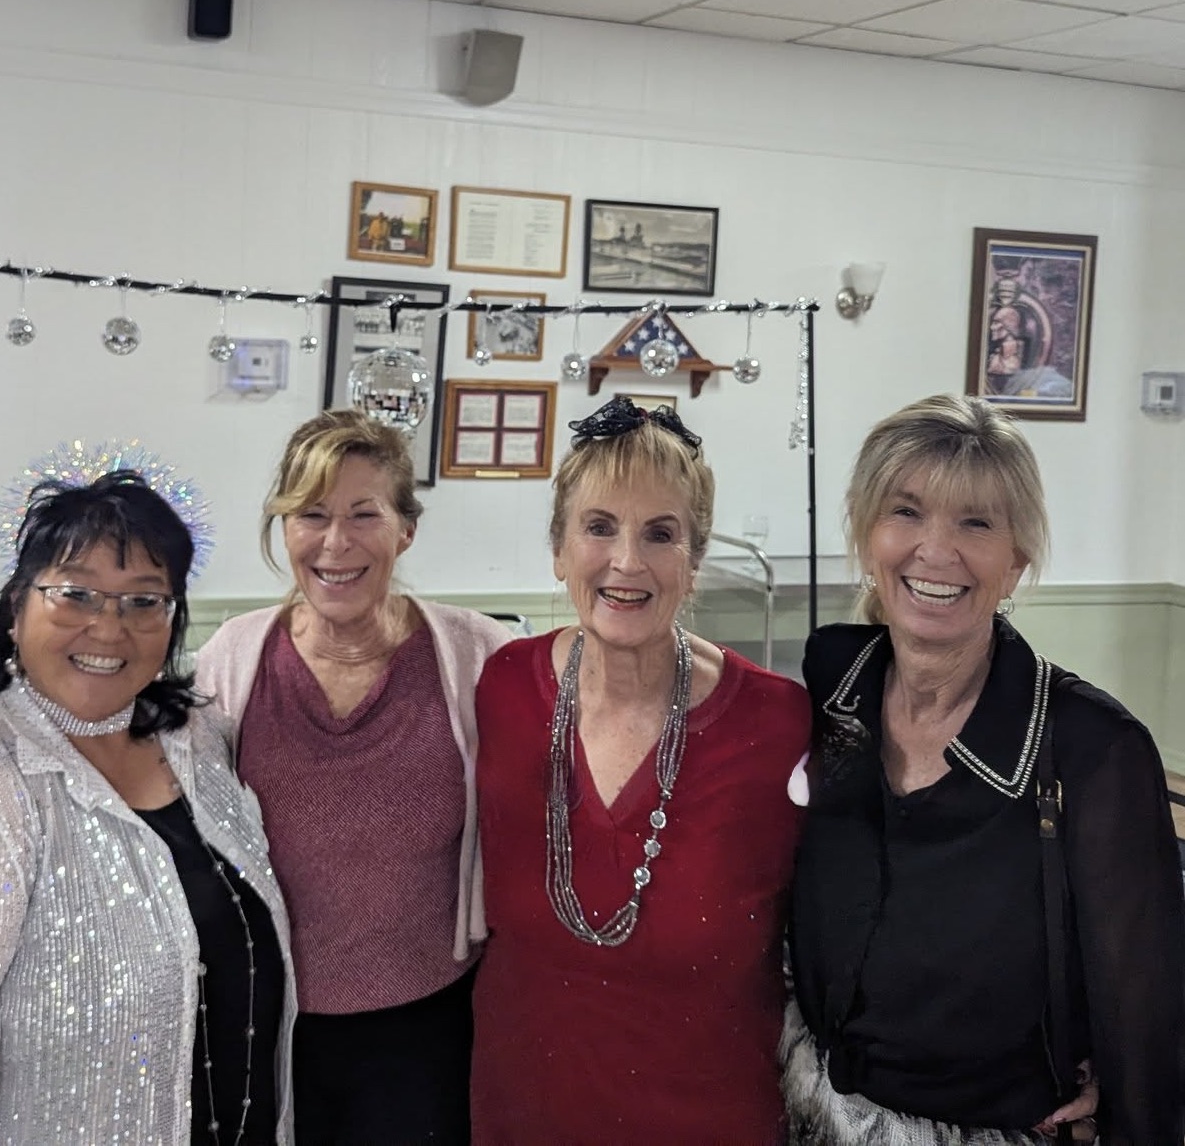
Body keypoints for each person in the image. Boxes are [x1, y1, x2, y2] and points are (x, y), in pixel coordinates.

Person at [785, 393, 1184, 1145]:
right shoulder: (830, 689)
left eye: (975, 522)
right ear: (867, 536)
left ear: (1016, 561)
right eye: (905, 512)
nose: (935, 551)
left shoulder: (1091, 746)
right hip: (810, 1111)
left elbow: (1146, 1020)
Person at [0, 469, 294, 1144]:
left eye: (143, 600)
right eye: (75, 593)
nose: (108, 627)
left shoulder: (200, 743)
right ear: (15, 608)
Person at [470, 396, 810, 1144]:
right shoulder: (503, 687)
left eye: (660, 533)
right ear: (558, 549)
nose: (626, 562)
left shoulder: (776, 724)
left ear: (694, 560)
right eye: (599, 527)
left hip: (709, 1117)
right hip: (522, 1107)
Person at [195, 409, 509, 1145]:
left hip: (428, 1025)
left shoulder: (476, 655)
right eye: (311, 514)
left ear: (405, 531)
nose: (335, 543)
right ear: (284, 528)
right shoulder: (231, 661)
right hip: (269, 1022)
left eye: (363, 515)